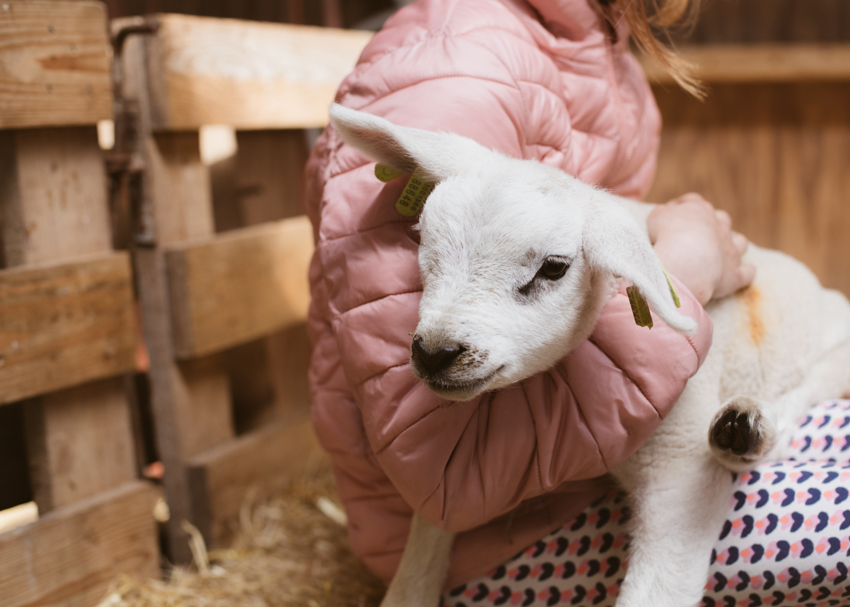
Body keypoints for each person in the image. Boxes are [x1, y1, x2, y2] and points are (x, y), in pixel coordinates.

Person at [304, 0, 849, 604]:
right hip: (511, 540)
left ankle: (791, 405)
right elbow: (444, 454)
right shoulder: (455, 65)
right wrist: (683, 273)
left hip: (606, 440)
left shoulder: (600, 49)